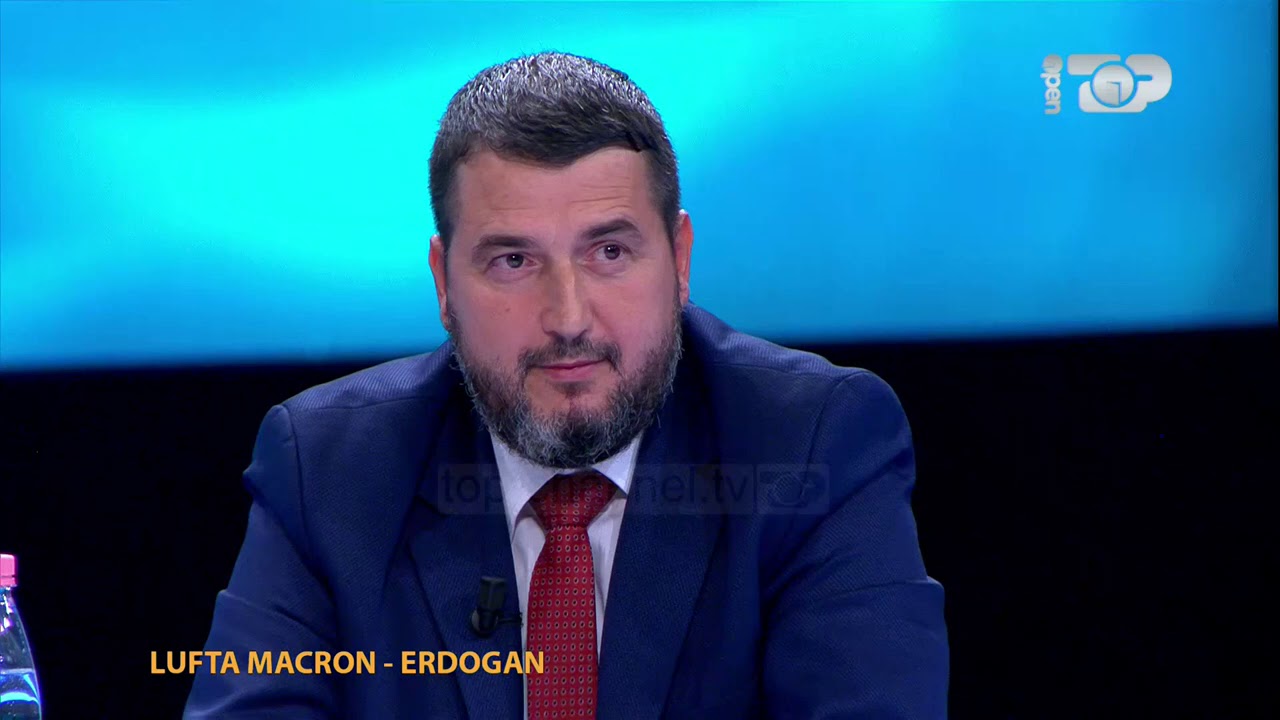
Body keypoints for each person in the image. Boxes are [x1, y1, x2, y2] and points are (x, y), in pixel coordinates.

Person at [185, 51, 948, 719]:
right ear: (443, 284)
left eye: (609, 252)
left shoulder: (811, 443)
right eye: (513, 261)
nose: (569, 318)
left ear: (679, 258)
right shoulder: (330, 471)